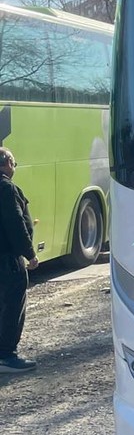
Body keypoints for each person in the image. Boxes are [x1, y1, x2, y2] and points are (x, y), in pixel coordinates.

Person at [0, 148, 38, 374]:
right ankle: (6, 355)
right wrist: (30, 253)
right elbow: (15, 223)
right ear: (7, 164)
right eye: (14, 163)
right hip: (7, 260)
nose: (14, 167)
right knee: (12, 305)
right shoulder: (6, 189)